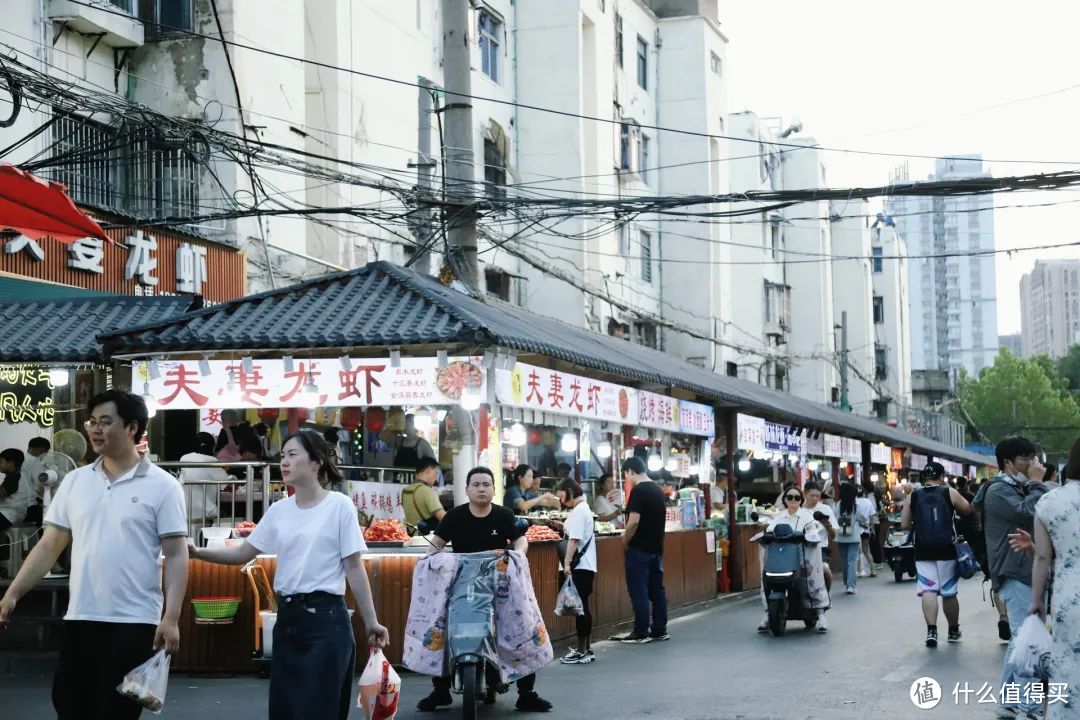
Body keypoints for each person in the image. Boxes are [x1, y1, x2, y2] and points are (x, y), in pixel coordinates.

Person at [0, 390, 189, 720]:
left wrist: (171, 617)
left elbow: (175, 555)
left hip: (134, 621)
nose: (95, 429)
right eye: (92, 422)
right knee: (70, 705)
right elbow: (49, 545)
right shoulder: (75, 481)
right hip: (81, 616)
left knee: (115, 711)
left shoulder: (163, 486)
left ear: (132, 428)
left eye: (105, 422)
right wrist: (12, 594)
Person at [190, 430, 388, 720]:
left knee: (319, 710)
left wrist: (372, 621)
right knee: (286, 710)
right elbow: (243, 553)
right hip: (288, 621)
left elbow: (354, 567)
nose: (284, 462)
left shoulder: (339, 506)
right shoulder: (279, 510)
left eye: (292, 455)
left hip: (327, 620)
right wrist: (197, 552)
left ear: (317, 462)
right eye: (282, 456)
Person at [418, 467, 553, 713]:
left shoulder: (504, 515)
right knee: (441, 625)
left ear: (493, 489)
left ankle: (526, 693)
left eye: (486, 484)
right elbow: (436, 544)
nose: (481, 488)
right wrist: (431, 558)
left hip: (500, 587)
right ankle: (440, 691)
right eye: (477, 484)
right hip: (462, 586)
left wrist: (518, 554)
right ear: (467, 489)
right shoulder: (454, 516)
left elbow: (521, 539)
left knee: (521, 626)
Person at [972, 436, 1058, 718]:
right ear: (1008, 462)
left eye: (1034, 458)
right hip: (1014, 571)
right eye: (1026, 458)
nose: (1033, 464)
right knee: (1028, 641)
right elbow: (1029, 512)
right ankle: (1030, 707)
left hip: (1025, 570)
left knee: (1021, 638)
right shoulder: (998, 490)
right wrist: (1036, 482)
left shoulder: (1017, 487)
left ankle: (1008, 702)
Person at [1028, 438, 1080, 720]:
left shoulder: (1049, 502)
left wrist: (1037, 601)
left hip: (1069, 598)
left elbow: (1042, 559)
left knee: (1068, 668)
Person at [902, 462, 972, 648]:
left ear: (924, 476)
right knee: (948, 592)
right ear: (942, 476)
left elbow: (904, 524)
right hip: (947, 548)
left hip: (923, 549)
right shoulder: (949, 492)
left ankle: (931, 630)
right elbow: (967, 509)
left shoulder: (913, 496)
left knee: (928, 589)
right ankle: (953, 630)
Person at [756, 485, 830, 633]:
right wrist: (765, 534)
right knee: (766, 579)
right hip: (782, 558)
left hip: (803, 558)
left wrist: (810, 534)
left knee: (813, 579)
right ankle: (767, 614)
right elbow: (770, 530)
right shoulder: (778, 517)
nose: (793, 500)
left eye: (796, 497)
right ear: (785, 500)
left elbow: (813, 530)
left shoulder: (807, 516)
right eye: (790, 497)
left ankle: (821, 616)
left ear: (800, 500)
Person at [614, 457, 669, 644]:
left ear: (630, 471)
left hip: (639, 549)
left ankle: (641, 631)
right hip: (657, 548)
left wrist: (625, 539)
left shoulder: (639, 491)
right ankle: (660, 629)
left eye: (626, 475)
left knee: (639, 590)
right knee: (657, 590)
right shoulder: (657, 490)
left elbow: (634, 521)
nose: (627, 479)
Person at [557, 478, 597, 665]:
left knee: (581, 609)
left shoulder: (580, 511)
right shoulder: (582, 510)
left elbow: (574, 540)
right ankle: (586, 648)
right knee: (582, 608)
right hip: (585, 566)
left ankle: (583, 650)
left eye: (562, 495)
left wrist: (566, 563)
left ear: (570, 491)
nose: (561, 499)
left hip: (580, 566)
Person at [179, 432, 227, 533]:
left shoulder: (184, 459)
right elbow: (226, 484)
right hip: (206, 513)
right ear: (212, 447)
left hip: (183, 513)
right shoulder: (212, 461)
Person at [834, 481, 869, 594]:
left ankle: (846, 583)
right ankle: (851, 586)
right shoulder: (854, 506)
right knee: (852, 562)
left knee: (844, 561)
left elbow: (834, 517)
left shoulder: (838, 505)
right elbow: (863, 518)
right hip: (853, 537)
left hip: (840, 537)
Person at [804, 481, 836, 593]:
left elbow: (834, 535)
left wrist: (828, 526)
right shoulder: (800, 510)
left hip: (820, 548)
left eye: (817, 496)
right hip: (802, 548)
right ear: (805, 494)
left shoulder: (825, 509)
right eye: (812, 496)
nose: (815, 499)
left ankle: (826, 595)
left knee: (826, 571)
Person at [402, 456, 446, 533]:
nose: (436, 478)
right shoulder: (427, 491)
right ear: (429, 470)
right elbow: (443, 518)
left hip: (411, 536)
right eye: (435, 473)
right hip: (426, 538)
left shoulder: (405, 491)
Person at [0, 448, 34, 532]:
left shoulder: (14, 477)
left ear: (10, 463)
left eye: (0, 462)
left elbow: (1, 493)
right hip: (10, 514)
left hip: (9, 515)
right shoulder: (17, 475)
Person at [23, 437, 50, 526]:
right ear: (42, 449)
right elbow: (41, 483)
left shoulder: (21, 458)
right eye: (46, 452)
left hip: (18, 505)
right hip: (30, 505)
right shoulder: (34, 461)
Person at [856, 483, 878, 578]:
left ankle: (859, 571)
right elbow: (872, 516)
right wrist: (872, 529)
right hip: (866, 529)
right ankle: (873, 569)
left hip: (856, 529)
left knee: (857, 551)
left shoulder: (854, 501)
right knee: (866, 550)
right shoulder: (868, 501)